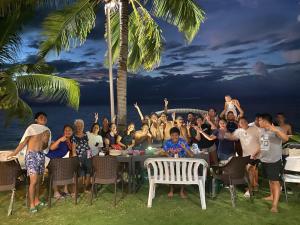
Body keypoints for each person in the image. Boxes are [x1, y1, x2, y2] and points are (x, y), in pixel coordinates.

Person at [8, 112, 51, 213]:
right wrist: (14, 153)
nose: (43, 118)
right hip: (31, 155)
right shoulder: (32, 128)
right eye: (41, 117)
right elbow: (23, 142)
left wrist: (45, 141)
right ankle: (31, 205)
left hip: (41, 156)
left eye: (45, 117)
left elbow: (45, 147)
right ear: (36, 120)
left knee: (39, 181)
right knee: (34, 181)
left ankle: (36, 201)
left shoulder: (47, 131)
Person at [258, 113, 289, 213]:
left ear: (265, 121)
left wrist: (275, 130)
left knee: (275, 181)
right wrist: (258, 153)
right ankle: (272, 196)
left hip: (274, 160)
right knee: (270, 180)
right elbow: (264, 145)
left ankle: (275, 205)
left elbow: (286, 139)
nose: (258, 122)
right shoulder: (262, 130)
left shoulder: (277, 129)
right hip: (264, 159)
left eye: (260, 120)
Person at [224, 117, 261, 196]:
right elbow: (231, 137)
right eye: (241, 122)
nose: (243, 123)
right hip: (246, 156)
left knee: (250, 170)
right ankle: (254, 186)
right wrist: (223, 130)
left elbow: (262, 141)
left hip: (255, 155)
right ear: (239, 124)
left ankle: (250, 190)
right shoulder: (239, 131)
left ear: (247, 122)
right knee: (249, 172)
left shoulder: (255, 129)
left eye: (244, 121)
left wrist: (257, 153)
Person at [162, 127, 194, 198]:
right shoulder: (168, 142)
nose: (174, 137)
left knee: (183, 172)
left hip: (182, 161)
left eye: (176, 135)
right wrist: (169, 152)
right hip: (171, 161)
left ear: (179, 135)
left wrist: (184, 147)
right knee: (170, 172)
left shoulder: (182, 141)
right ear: (170, 135)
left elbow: (191, 154)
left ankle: (182, 191)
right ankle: (171, 190)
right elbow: (162, 153)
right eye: (172, 135)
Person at [47, 125, 76, 199]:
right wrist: (59, 140)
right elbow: (51, 148)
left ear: (72, 132)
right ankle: (56, 192)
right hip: (51, 158)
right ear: (63, 132)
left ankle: (65, 190)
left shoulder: (70, 141)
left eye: (69, 130)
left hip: (59, 160)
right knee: (54, 174)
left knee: (67, 169)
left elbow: (70, 152)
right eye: (66, 130)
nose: (67, 132)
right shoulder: (62, 138)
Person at [72, 119, 91, 191]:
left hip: (87, 156)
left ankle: (86, 187)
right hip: (79, 157)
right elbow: (73, 150)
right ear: (75, 127)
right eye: (78, 126)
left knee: (88, 169)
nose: (79, 127)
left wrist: (89, 156)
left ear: (83, 126)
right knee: (83, 170)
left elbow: (88, 146)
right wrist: (77, 160)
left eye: (81, 126)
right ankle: (82, 188)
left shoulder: (86, 135)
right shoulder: (74, 137)